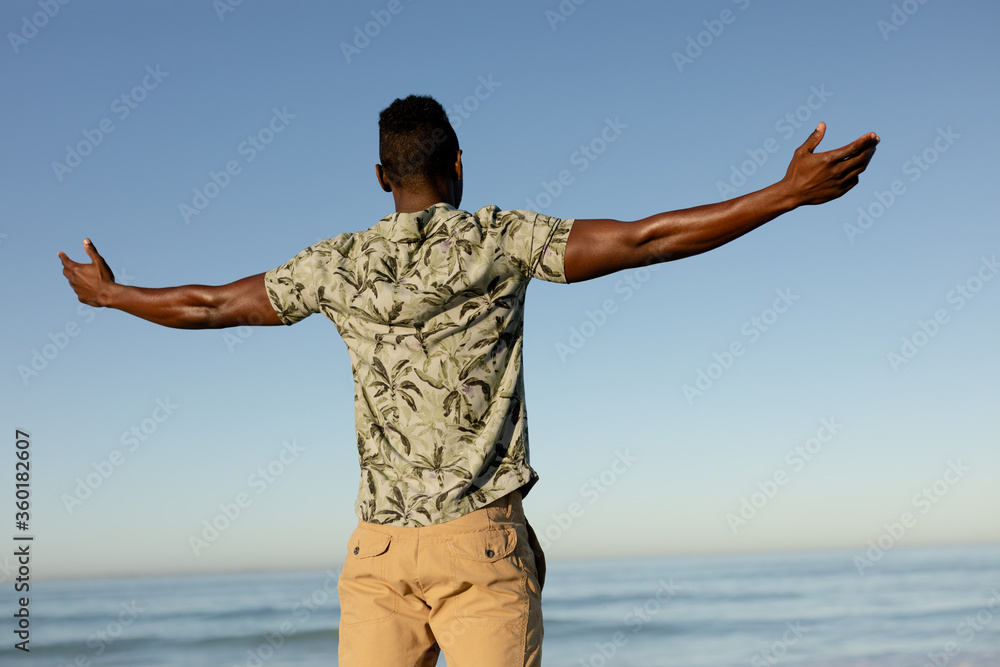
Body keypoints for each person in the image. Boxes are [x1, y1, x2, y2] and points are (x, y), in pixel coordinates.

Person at [59, 95, 878, 666]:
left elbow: (208, 307)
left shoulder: (336, 263)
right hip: (480, 547)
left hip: (375, 552)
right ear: (457, 164)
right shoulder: (499, 238)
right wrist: (785, 194)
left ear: (382, 178)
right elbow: (644, 240)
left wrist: (111, 295)